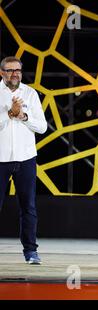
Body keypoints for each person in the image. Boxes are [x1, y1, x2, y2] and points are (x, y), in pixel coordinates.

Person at [0, 56, 47, 265]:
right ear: (2, 72)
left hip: (26, 158)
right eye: (10, 70)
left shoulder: (30, 93)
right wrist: (9, 113)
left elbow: (43, 127)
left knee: (28, 207)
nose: (14, 74)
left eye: (17, 70)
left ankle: (30, 251)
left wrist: (23, 116)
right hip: (0, 158)